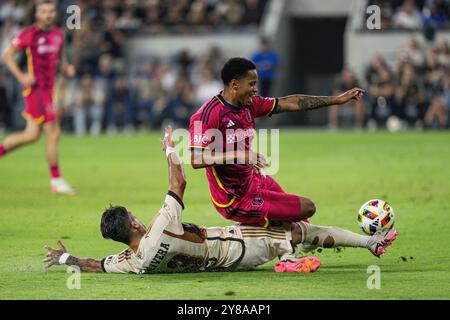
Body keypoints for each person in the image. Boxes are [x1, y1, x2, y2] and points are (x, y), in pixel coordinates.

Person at [43, 127, 397, 274]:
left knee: (297, 230)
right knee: (300, 230)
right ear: (134, 223)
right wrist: (169, 147)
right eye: (135, 217)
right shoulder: (161, 226)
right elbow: (179, 182)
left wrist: (65, 258)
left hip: (226, 257)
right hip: (237, 245)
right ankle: (294, 260)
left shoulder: (132, 261)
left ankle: (364, 244)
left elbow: (96, 265)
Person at [189, 57, 364, 227]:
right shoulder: (205, 115)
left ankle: (298, 243)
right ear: (235, 84)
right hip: (234, 199)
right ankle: (262, 242)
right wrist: (239, 155)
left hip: (254, 180)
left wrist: (337, 100)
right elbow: (197, 159)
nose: (255, 89)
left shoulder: (250, 104)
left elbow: (291, 103)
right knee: (306, 209)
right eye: (251, 84)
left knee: (301, 222)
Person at [0, 0, 76, 195]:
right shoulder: (29, 34)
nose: (48, 14)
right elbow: (7, 55)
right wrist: (22, 77)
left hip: (49, 91)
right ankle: (56, 181)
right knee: (53, 132)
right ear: (36, 14)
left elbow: (60, 58)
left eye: (51, 11)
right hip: (36, 91)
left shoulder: (59, 34)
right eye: (43, 11)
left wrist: (65, 68)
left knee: (31, 136)